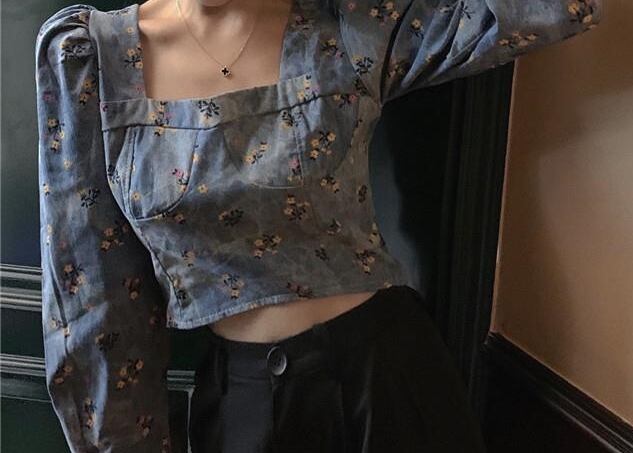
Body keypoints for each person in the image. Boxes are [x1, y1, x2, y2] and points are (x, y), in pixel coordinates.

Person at [35, 0, 602, 451]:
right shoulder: (94, 60)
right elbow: (93, 299)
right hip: (244, 405)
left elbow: (554, 8)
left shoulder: (347, 26)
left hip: (390, 380)